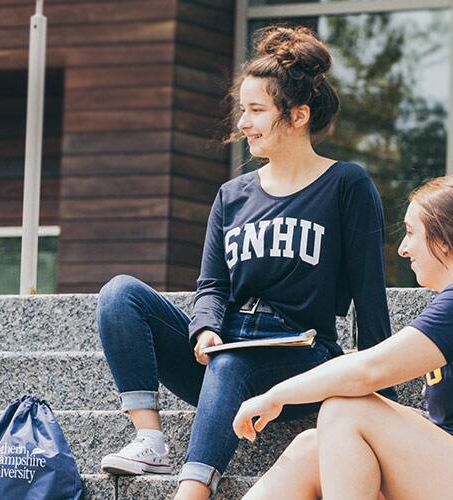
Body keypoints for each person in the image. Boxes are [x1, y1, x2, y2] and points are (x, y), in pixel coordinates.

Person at [92, 25, 394, 499]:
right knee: (120, 293)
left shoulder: (345, 186)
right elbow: (211, 285)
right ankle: (149, 437)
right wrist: (205, 328)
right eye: (243, 110)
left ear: (297, 114)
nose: (244, 123)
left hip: (301, 358)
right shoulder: (232, 196)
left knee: (233, 364)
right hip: (223, 353)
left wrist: (383, 399)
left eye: (256, 110)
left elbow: (370, 298)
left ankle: (191, 491)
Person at [231, 174, 453, 499]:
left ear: (443, 240)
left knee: (347, 409)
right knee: (312, 447)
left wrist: (276, 395)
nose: (402, 249)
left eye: (411, 233)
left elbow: (370, 370)